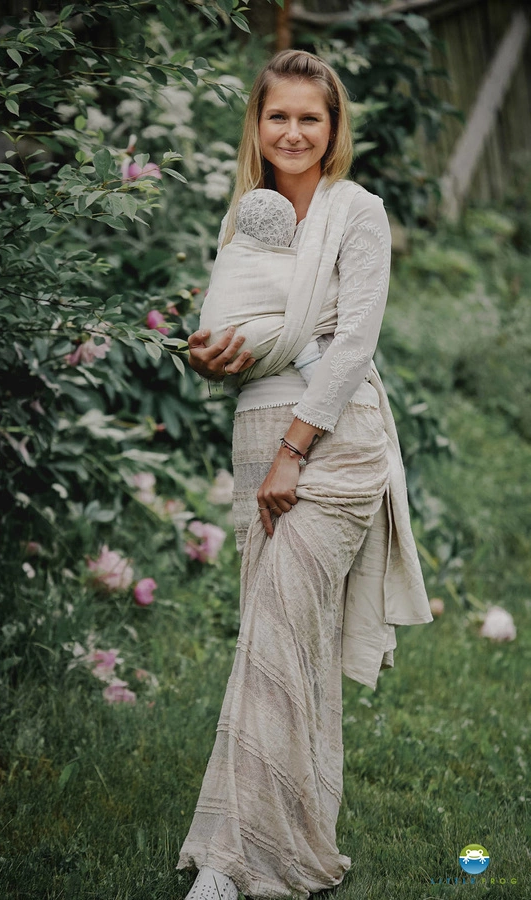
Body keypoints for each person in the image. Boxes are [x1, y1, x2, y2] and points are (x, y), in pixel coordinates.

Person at [177, 49, 433, 900]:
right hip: (259, 433)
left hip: (334, 440)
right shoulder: (247, 219)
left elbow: (352, 344)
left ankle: (227, 861)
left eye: (309, 118)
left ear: (333, 128)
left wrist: (295, 451)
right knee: (281, 642)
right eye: (278, 115)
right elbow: (245, 329)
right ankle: (295, 838)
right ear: (257, 125)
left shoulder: (356, 212)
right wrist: (210, 359)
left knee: (277, 639)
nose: (292, 131)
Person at [199, 187, 322, 384]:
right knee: (297, 324)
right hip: (233, 339)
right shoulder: (274, 262)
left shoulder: (230, 251)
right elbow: (294, 289)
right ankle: (310, 361)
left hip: (210, 335)